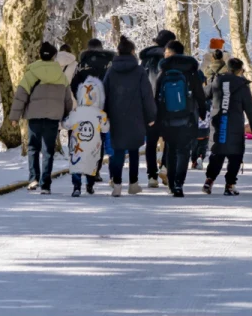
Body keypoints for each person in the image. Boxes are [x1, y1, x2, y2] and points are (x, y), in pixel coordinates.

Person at [8, 41, 74, 194]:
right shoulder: (60, 75)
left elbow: (21, 95)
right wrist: (67, 115)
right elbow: (68, 99)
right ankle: (45, 185)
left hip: (34, 116)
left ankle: (33, 179)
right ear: (54, 56)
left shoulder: (32, 72)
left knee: (33, 148)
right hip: (53, 118)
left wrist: (14, 117)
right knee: (48, 150)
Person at [102, 37, 156, 196]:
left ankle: (117, 184)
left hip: (116, 116)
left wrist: (104, 114)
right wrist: (151, 116)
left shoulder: (111, 70)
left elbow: (104, 93)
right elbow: (147, 95)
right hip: (136, 116)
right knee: (133, 150)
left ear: (118, 51)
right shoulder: (139, 71)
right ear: (132, 52)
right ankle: (133, 183)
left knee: (118, 150)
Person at [155, 38, 207, 196]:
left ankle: (171, 184)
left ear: (170, 53)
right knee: (184, 151)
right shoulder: (192, 71)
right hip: (188, 116)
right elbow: (200, 94)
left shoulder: (163, 71)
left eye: (166, 52)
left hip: (167, 118)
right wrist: (202, 112)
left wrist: (156, 117)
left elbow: (156, 95)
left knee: (171, 150)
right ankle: (179, 184)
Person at [203, 56, 252, 195]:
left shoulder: (217, 81)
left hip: (219, 123)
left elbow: (203, 94)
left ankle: (209, 180)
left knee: (217, 153)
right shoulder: (242, 86)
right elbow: (250, 108)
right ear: (240, 70)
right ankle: (230, 185)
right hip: (235, 126)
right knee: (235, 155)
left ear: (227, 68)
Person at [139, 29, 175, 186]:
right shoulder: (171, 59)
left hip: (148, 105)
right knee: (170, 139)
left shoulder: (146, 60)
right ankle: (165, 167)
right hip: (168, 104)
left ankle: (151, 176)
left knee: (151, 141)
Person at [65, 75, 108, 197]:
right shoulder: (100, 114)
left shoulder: (76, 112)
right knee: (91, 164)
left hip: (77, 145)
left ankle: (76, 186)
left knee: (76, 164)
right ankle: (90, 185)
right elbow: (105, 128)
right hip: (93, 145)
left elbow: (67, 124)